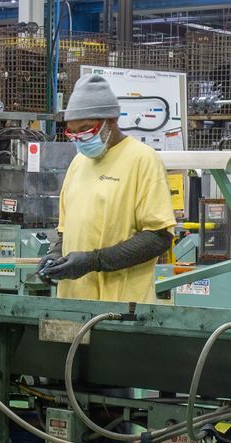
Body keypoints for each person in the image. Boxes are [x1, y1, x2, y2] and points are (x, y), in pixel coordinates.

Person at [39, 73, 177, 303]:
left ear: (111, 121)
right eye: (73, 132)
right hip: (73, 303)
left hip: (122, 306)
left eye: (86, 130)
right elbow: (66, 230)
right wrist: (55, 256)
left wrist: (94, 261)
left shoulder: (142, 159)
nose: (80, 139)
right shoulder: (78, 163)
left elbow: (158, 237)